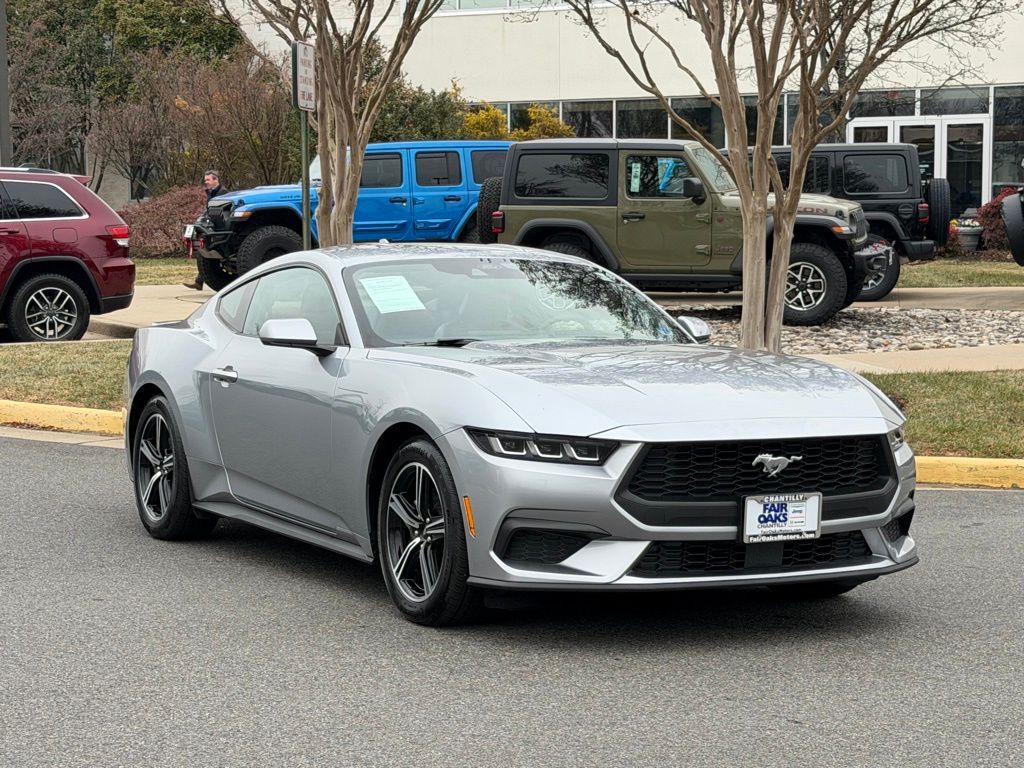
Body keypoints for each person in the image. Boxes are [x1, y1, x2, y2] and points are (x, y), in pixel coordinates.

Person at [182, 170, 227, 290]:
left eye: (208, 180)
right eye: (205, 179)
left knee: (210, 252)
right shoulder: (211, 193)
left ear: (215, 180)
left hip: (219, 229)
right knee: (206, 252)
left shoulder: (224, 194)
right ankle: (199, 281)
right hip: (211, 227)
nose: (205, 182)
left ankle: (200, 281)